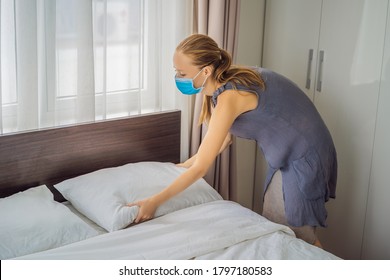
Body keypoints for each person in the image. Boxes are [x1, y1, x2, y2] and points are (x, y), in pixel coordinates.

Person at [127, 34, 337, 246]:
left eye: (182, 73)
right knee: (279, 227)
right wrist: (178, 168)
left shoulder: (230, 96)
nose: (178, 78)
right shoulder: (223, 82)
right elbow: (220, 142)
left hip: (306, 155)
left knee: (300, 235)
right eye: (176, 71)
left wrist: (154, 202)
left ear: (206, 71)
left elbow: (201, 167)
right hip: (288, 152)